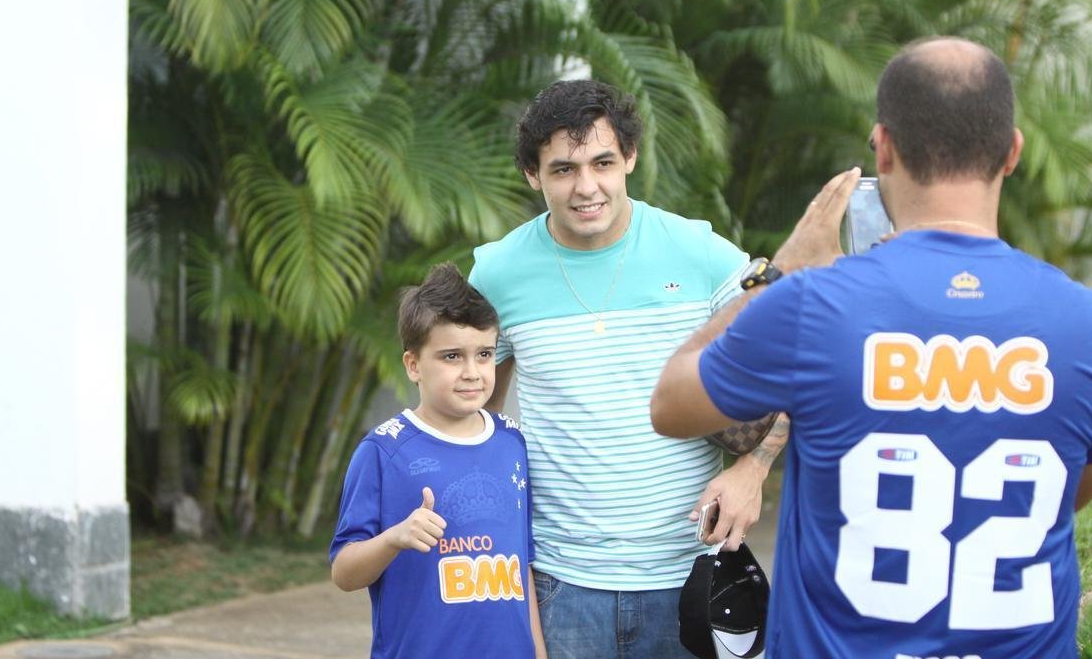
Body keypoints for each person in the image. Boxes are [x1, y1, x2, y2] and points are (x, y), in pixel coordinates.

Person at [651, 37, 1092, 658]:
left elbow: (670, 402)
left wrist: (780, 271)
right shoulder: (1087, 323)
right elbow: (1073, 491)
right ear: (1012, 152)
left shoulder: (814, 305)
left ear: (884, 148)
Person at [468, 80, 790, 658]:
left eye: (603, 163)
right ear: (533, 175)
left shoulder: (700, 253)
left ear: (631, 159)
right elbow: (472, 413)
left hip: (691, 576)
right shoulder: (497, 274)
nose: (586, 187)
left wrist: (753, 470)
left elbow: (796, 360)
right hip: (561, 582)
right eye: (563, 169)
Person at [330, 263, 547, 659]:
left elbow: (523, 565)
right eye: (452, 356)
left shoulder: (511, 442)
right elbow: (344, 572)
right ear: (413, 365)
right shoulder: (383, 451)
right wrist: (394, 538)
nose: (472, 372)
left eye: (484, 354)